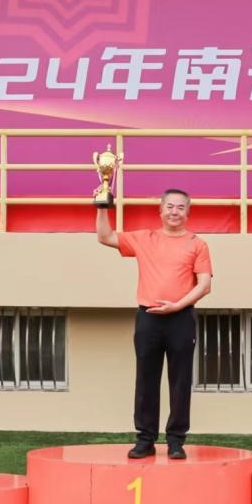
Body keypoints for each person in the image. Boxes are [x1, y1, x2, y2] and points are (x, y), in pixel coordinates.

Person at [96, 188, 213, 460]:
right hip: (148, 317)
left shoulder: (197, 244)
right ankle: (145, 439)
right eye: (169, 206)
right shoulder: (144, 238)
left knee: (180, 381)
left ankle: (176, 441)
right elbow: (104, 237)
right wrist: (102, 206)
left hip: (181, 318)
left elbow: (205, 285)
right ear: (160, 210)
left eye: (180, 207)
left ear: (188, 212)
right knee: (146, 379)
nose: (174, 212)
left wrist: (177, 305)